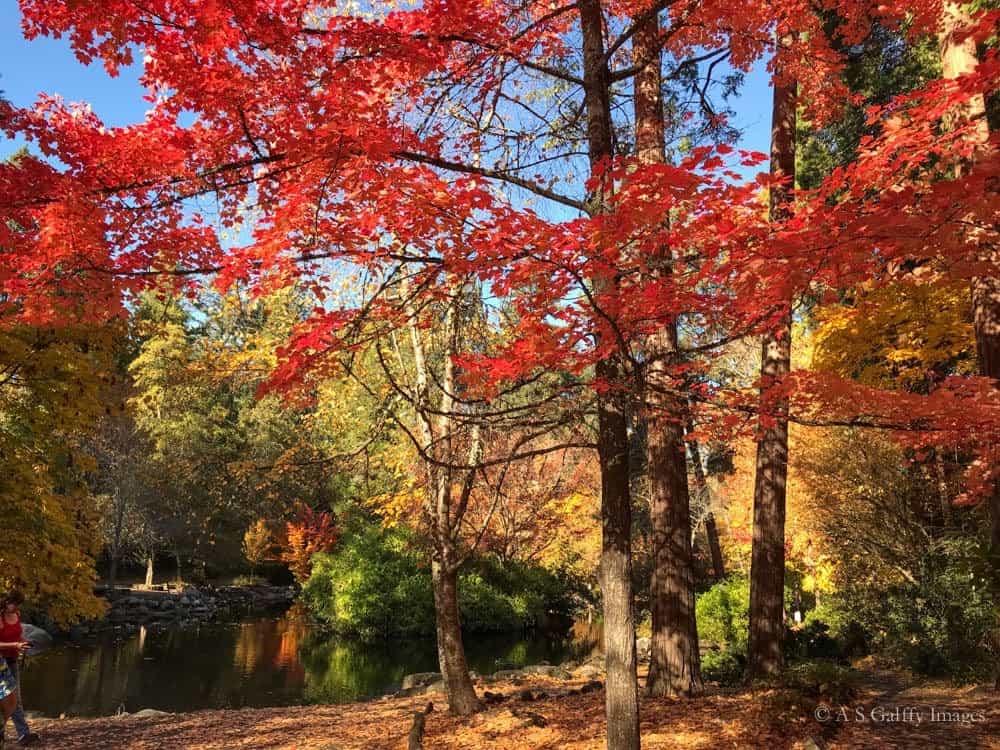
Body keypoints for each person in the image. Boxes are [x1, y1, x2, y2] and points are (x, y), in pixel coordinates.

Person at [0, 592, 38, 747]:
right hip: (0, 663)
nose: (15, 607)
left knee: (16, 698)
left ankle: (23, 734)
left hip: (12, 660)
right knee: (3, 699)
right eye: (13, 603)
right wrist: (15, 645)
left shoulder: (16, 614)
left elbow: (18, 635)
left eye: (18, 604)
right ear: (5, 601)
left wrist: (23, 642)